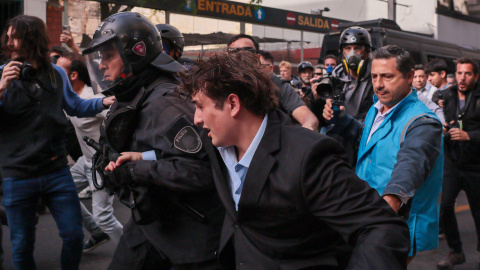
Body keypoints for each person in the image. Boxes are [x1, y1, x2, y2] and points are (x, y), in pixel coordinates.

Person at [181, 50, 410, 269]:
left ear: (233, 104)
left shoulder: (307, 156)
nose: (197, 119)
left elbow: (382, 227)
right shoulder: (214, 143)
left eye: (200, 107)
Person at [82, 12, 224, 270]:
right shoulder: (134, 92)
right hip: (151, 223)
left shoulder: (167, 103)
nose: (102, 65)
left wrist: (135, 170)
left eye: (109, 55)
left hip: (187, 235)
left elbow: (201, 170)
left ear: (135, 53)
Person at [0, 15, 114, 270]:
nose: (9, 40)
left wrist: (102, 101)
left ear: (31, 37)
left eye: (14, 35)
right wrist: (1, 88)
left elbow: (75, 106)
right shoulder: (1, 75)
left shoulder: (56, 75)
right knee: (21, 246)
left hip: (56, 171)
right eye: (7, 36)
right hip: (18, 175)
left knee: (74, 236)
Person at [323, 45, 444, 263]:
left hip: (393, 220)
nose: (378, 84)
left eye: (387, 76)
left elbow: (410, 167)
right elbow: (372, 140)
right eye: (375, 76)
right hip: (366, 211)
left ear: (409, 77)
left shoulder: (423, 122)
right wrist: (342, 120)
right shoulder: (377, 108)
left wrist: (385, 212)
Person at [56, 52, 123, 251]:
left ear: (74, 75)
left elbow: (119, 120)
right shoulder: (69, 99)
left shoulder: (91, 98)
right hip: (82, 162)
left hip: (99, 165)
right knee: (61, 193)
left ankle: (133, 255)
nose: (54, 71)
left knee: (103, 216)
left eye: (59, 69)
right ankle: (96, 232)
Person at [437, 58, 480, 270]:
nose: (462, 78)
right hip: (452, 162)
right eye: (460, 73)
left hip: (475, 165)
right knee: (444, 207)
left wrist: (469, 135)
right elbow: (445, 121)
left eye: (468, 74)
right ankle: (456, 251)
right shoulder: (447, 95)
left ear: (476, 76)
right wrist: (445, 130)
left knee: (478, 212)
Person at [227, 34, 319, 131]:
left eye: (248, 51)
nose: (242, 56)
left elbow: (308, 118)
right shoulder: (216, 86)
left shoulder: (277, 85)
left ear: (257, 58)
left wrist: (307, 129)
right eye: (234, 51)